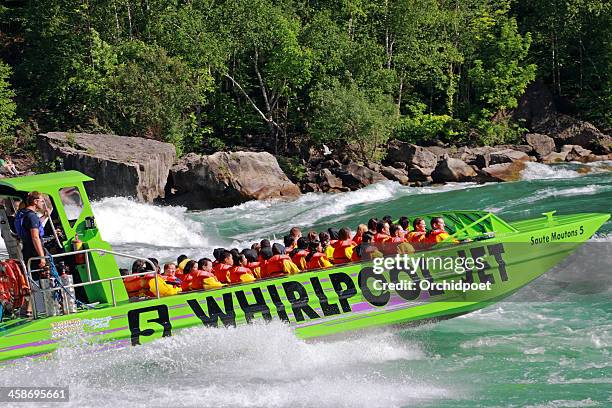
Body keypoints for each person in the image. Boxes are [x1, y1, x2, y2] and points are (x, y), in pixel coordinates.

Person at [17, 192, 48, 270]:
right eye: (41, 201)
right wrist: (42, 257)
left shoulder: (23, 213)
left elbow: (33, 225)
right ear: (35, 202)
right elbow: (35, 237)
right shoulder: (32, 216)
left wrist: (45, 216)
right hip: (34, 252)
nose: (43, 203)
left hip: (26, 250)